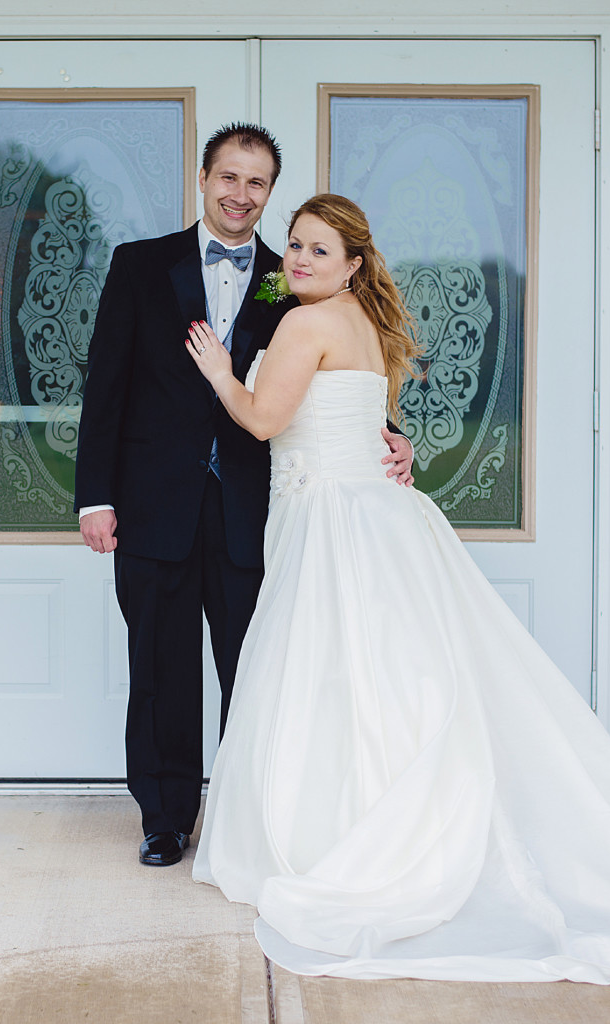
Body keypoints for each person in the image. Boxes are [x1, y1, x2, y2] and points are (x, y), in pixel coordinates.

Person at [186, 193, 610, 983]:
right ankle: (391, 816)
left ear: (353, 263)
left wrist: (223, 374)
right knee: (386, 679)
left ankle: (345, 833)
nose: (296, 260)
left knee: (333, 676)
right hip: (379, 512)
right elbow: (351, 404)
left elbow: (262, 421)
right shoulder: (354, 317)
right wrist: (392, 442)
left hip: (331, 521)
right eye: (293, 244)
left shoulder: (304, 322)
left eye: (318, 250)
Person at [74, 126, 414, 869]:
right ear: (203, 179)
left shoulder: (282, 276)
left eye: (256, 183)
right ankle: (164, 819)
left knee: (257, 670)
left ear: (269, 193)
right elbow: (105, 384)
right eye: (229, 177)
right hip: (153, 502)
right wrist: (93, 496)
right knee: (159, 670)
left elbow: (320, 374)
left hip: (252, 514)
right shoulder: (140, 265)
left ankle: (250, 815)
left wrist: (384, 429)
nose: (240, 194)